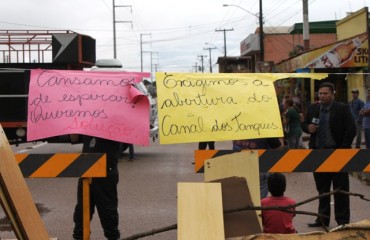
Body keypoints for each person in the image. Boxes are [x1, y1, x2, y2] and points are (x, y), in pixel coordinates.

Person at [301, 82, 356, 227]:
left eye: (325, 93)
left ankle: (342, 221)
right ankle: (322, 219)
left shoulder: (342, 109)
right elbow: (304, 124)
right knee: (322, 189)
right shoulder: (313, 108)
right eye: (320, 93)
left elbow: (351, 130)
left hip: (337, 154)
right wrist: (308, 127)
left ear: (332, 94)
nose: (322, 96)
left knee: (341, 190)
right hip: (318, 154)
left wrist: (342, 149)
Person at [72, 135, 121, 240]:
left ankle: (112, 236)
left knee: (108, 213)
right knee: (81, 212)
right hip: (86, 171)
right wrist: (73, 125)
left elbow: (122, 143)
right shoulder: (87, 121)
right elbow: (74, 138)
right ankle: (79, 236)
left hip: (106, 172)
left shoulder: (115, 124)